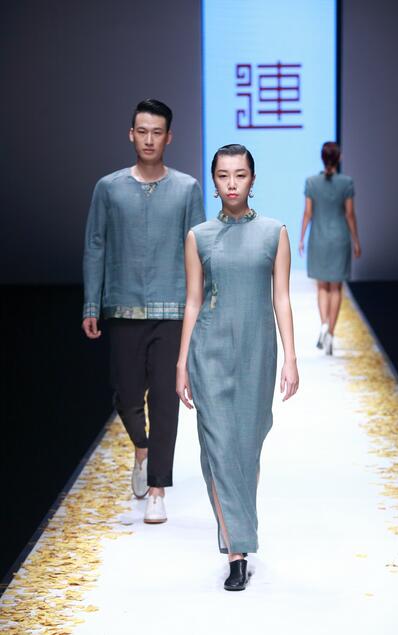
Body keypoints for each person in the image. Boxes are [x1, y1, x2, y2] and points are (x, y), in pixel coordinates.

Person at [176, 144, 299, 591]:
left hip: (257, 352)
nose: (232, 183)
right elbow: (192, 301)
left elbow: (281, 298)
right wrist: (181, 363)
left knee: (246, 447)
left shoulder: (274, 233)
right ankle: (237, 553)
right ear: (214, 182)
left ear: (252, 179)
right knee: (218, 447)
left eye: (240, 175)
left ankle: (238, 530)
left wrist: (291, 357)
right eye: (223, 175)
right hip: (208, 350)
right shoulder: (199, 236)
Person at [82, 99, 205, 524]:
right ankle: (142, 448)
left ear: (169, 137)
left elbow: (198, 250)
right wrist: (92, 302)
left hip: (172, 308)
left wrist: (201, 308)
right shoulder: (108, 188)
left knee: (167, 400)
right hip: (123, 304)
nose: (149, 139)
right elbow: (95, 244)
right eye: (142, 131)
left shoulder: (187, 188)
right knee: (127, 395)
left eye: (157, 132)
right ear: (131, 134)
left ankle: (157, 489)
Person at [299, 142, 361, 355]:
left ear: (322, 157)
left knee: (321, 287)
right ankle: (331, 334)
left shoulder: (311, 182)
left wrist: (301, 238)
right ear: (339, 158)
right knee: (336, 288)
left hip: (318, 238)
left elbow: (308, 213)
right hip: (340, 239)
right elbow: (349, 214)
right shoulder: (346, 183)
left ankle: (324, 323)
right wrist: (356, 240)